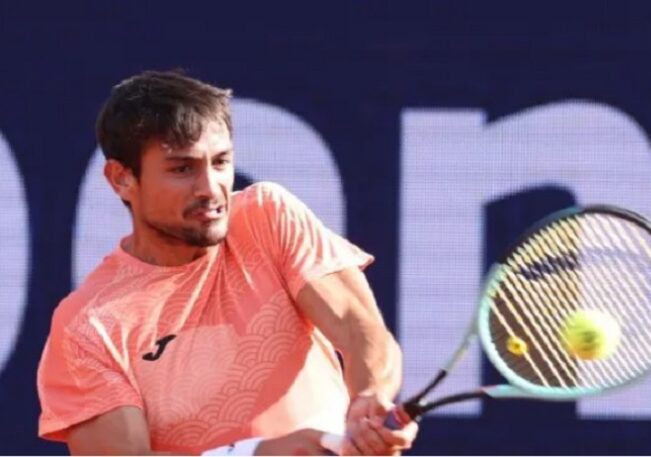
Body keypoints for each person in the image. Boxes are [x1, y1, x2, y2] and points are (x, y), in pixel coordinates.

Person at [36, 70, 418, 455]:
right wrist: (254, 453)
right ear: (121, 179)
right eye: (182, 169)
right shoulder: (86, 328)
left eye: (220, 163)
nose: (210, 189)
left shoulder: (268, 216)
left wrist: (369, 398)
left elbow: (361, 330)